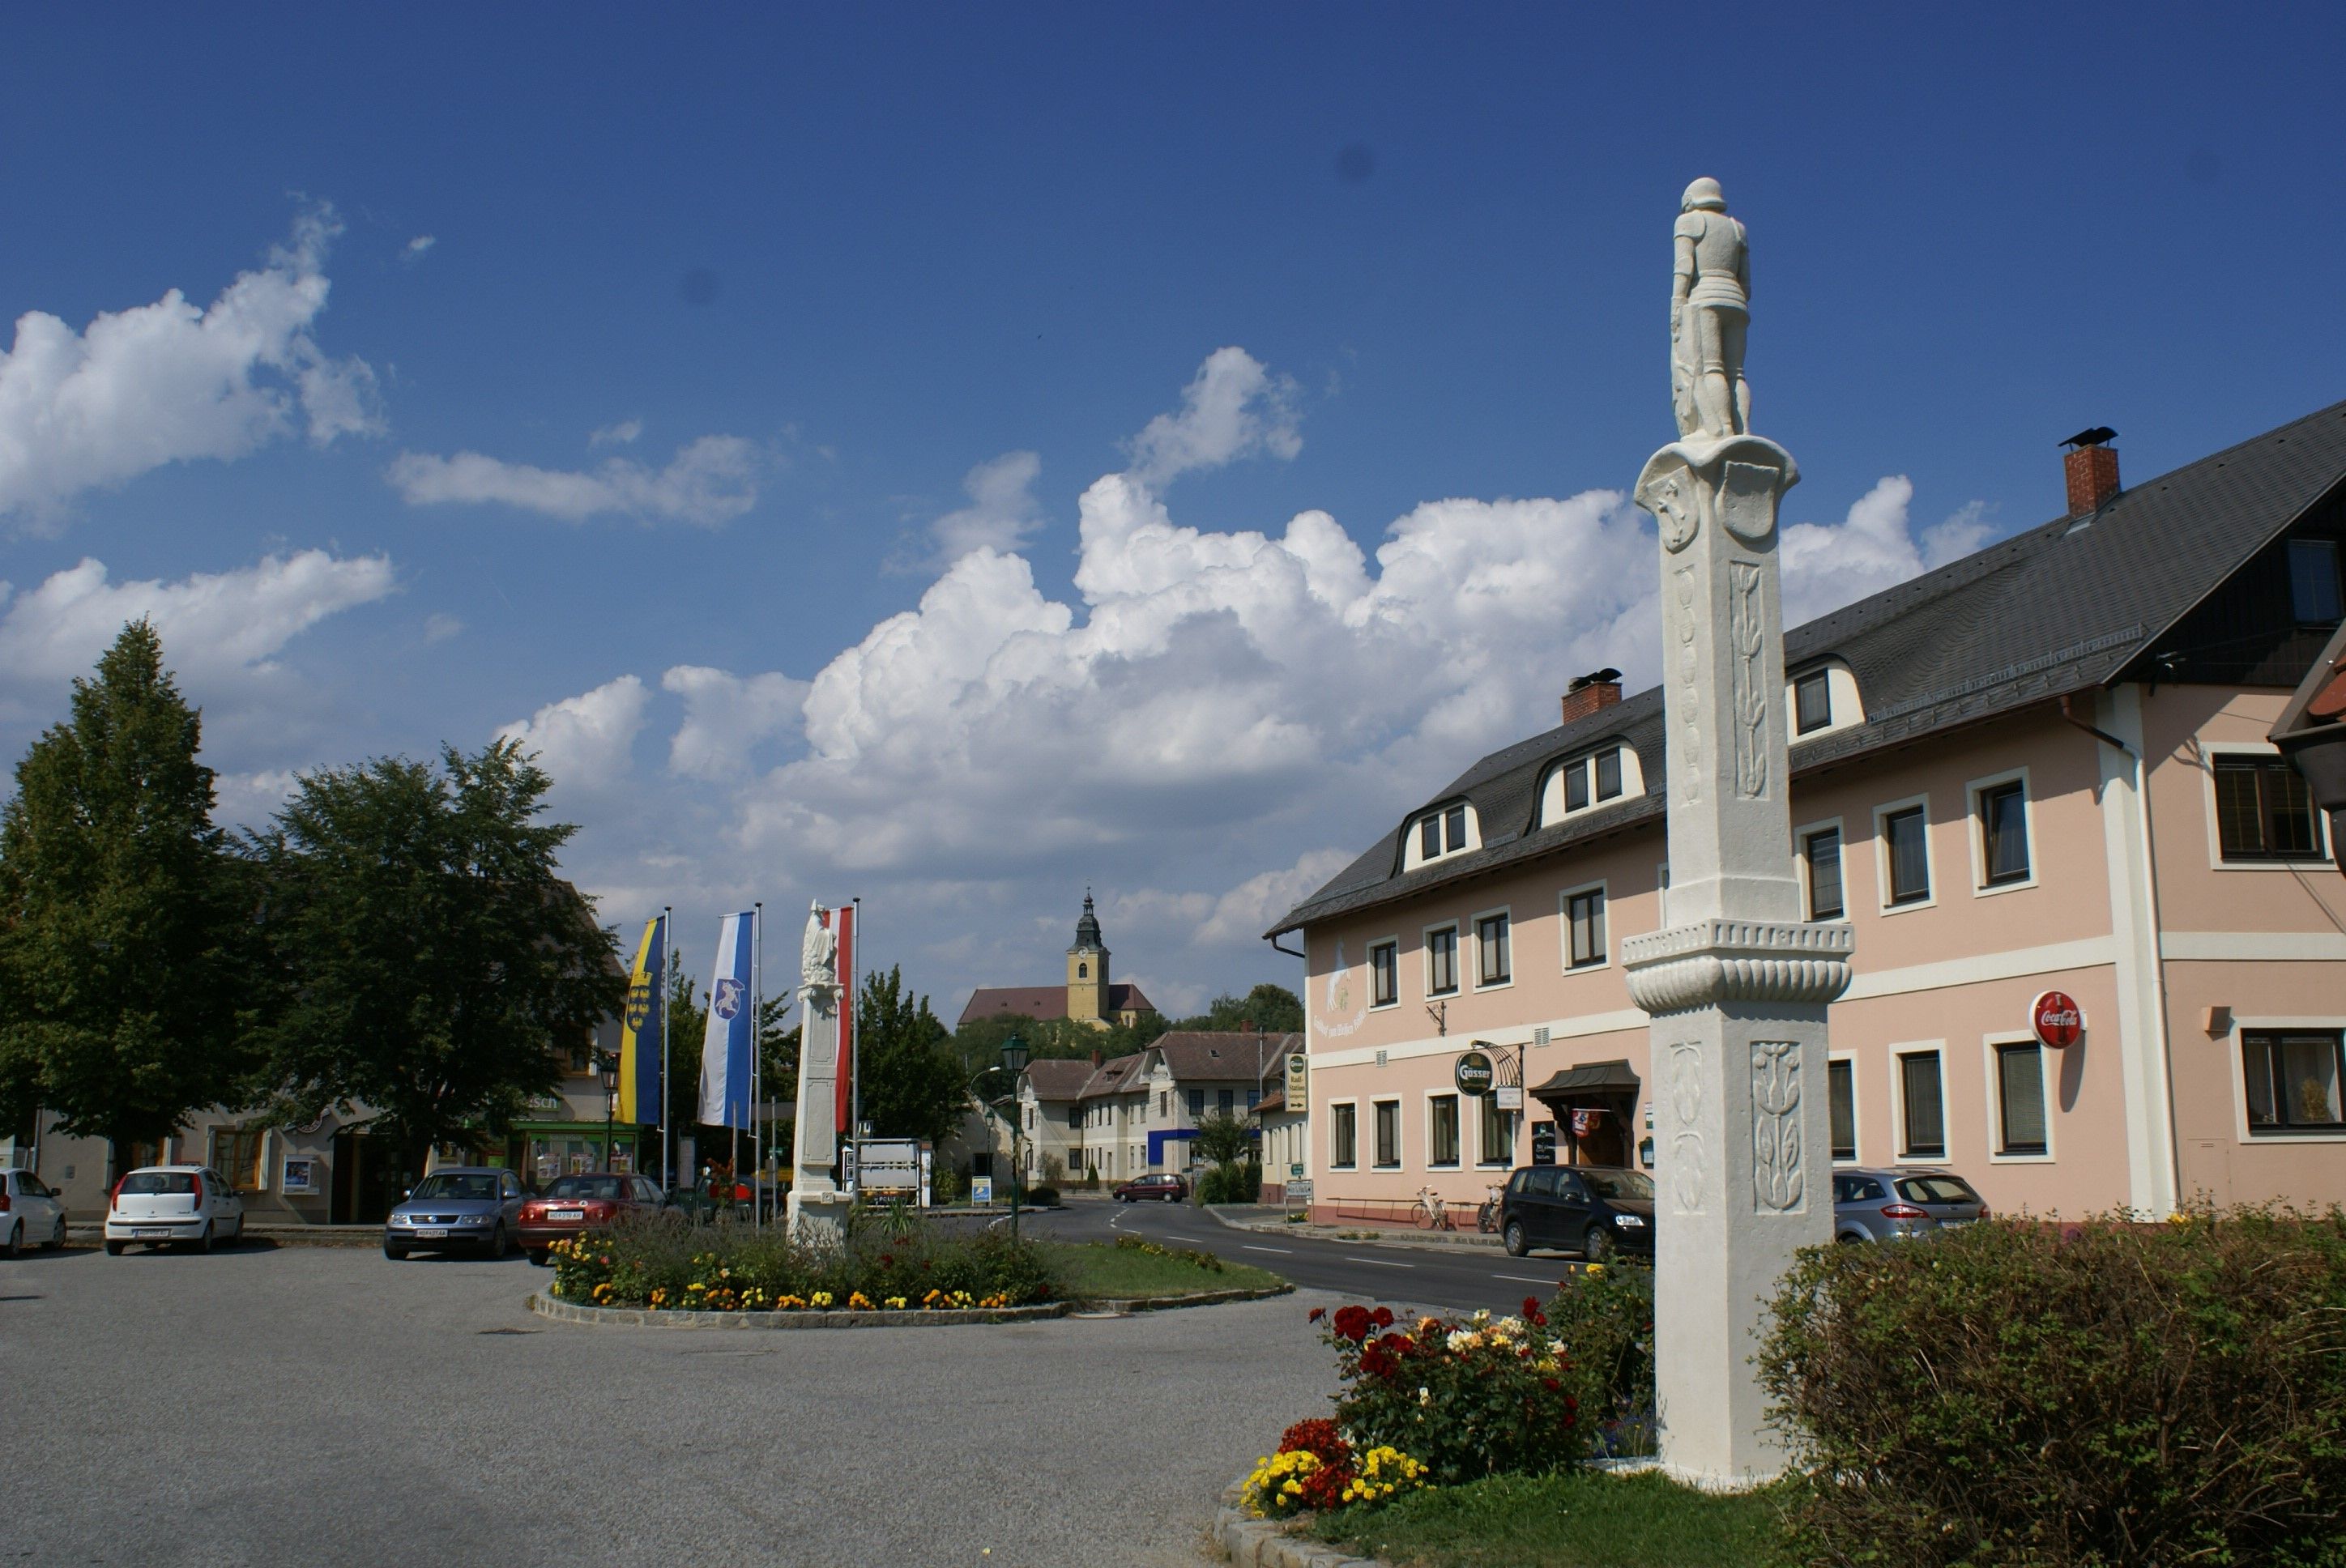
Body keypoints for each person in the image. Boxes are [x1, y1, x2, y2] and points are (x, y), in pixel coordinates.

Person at [1670, 177, 1751, 439]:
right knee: (1737, 372)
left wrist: (1677, 303)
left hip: (1704, 299)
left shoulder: (1689, 221)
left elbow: (1684, 267)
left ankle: (1723, 428)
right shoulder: (1738, 229)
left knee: (1712, 368)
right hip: (1737, 301)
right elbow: (1746, 282)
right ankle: (1743, 430)